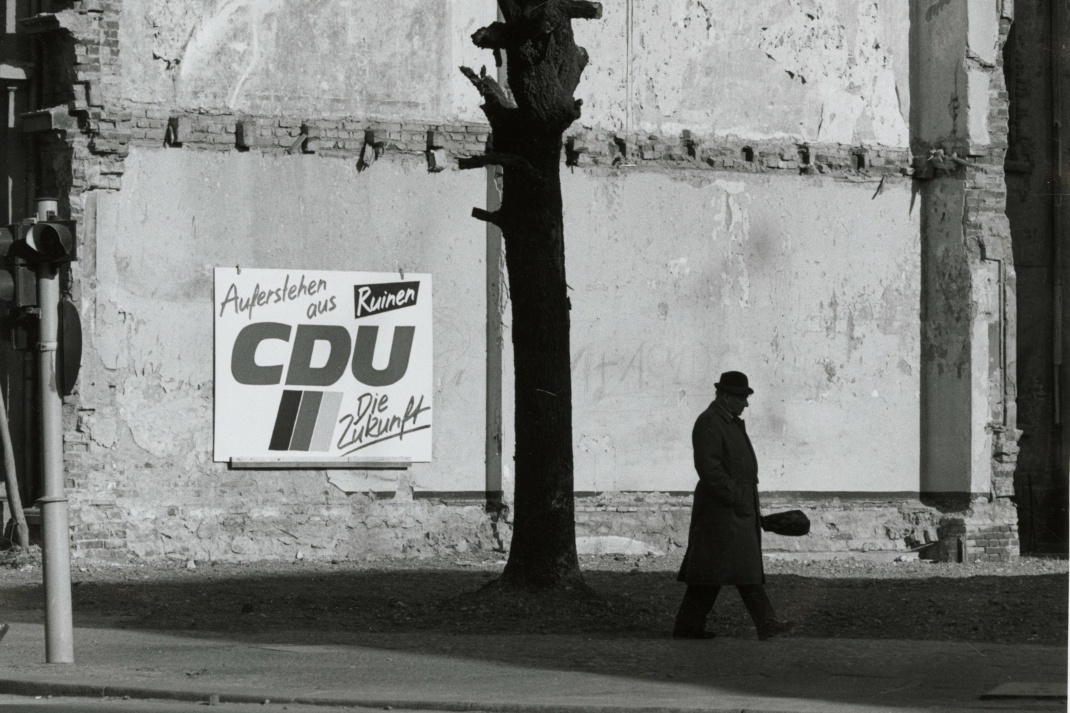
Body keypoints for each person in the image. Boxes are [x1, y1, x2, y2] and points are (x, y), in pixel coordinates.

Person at [673, 370, 795, 641]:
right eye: (742, 397)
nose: (746, 404)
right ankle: (766, 623)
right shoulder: (709, 422)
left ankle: (689, 626)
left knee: (723, 569)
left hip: (733, 509)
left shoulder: (726, 421)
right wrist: (737, 497)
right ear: (726, 396)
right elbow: (709, 469)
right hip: (721, 511)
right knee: (729, 569)